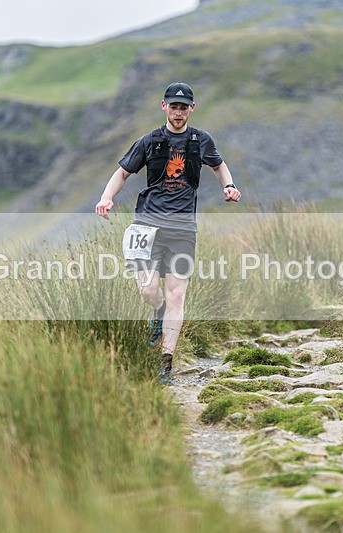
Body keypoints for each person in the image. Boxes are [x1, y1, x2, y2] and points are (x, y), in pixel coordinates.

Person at [95, 82, 241, 384]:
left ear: (191, 109)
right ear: (164, 107)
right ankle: (157, 312)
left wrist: (228, 185)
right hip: (147, 224)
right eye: (173, 106)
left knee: (177, 294)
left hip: (183, 228)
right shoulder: (150, 141)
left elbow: (219, 165)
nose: (178, 111)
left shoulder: (202, 140)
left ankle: (166, 361)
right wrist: (106, 198)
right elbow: (122, 172)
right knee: (148, 290)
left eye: (183, 107)